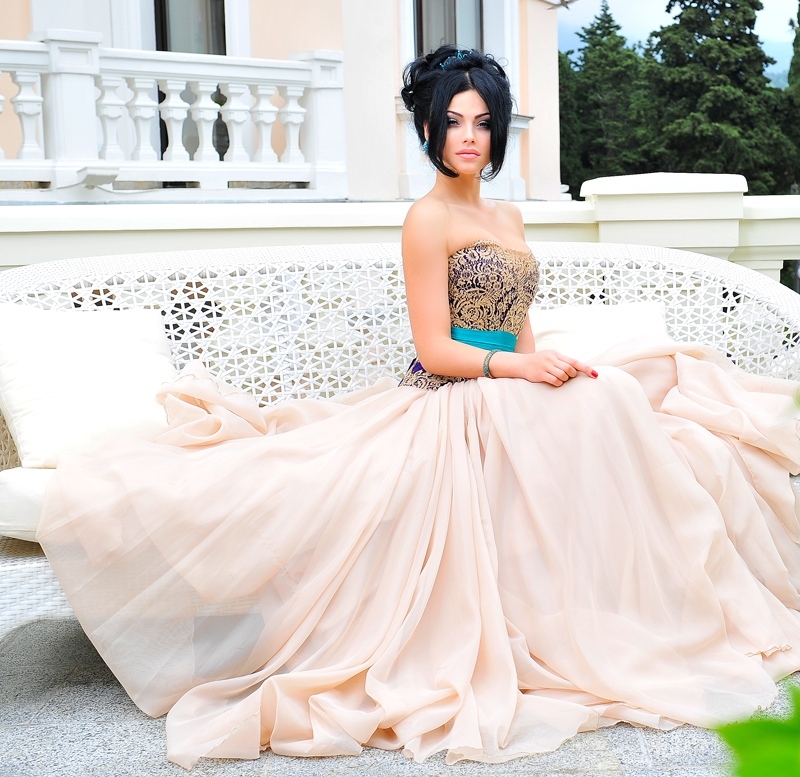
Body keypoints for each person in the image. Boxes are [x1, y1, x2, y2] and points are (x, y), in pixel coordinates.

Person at [38, 45, 800, 771]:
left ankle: (642, 614)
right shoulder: (426, 218)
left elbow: (519, 321)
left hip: (509, 383)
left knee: (616, 391)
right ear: (429, 129)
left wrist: (541, 368)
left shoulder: (508, 218)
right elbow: (436, 349)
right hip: (454, 392)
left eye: (483, 122)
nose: (469, 137)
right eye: (453, 121)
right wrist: (518, 368)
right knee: (610, 401)